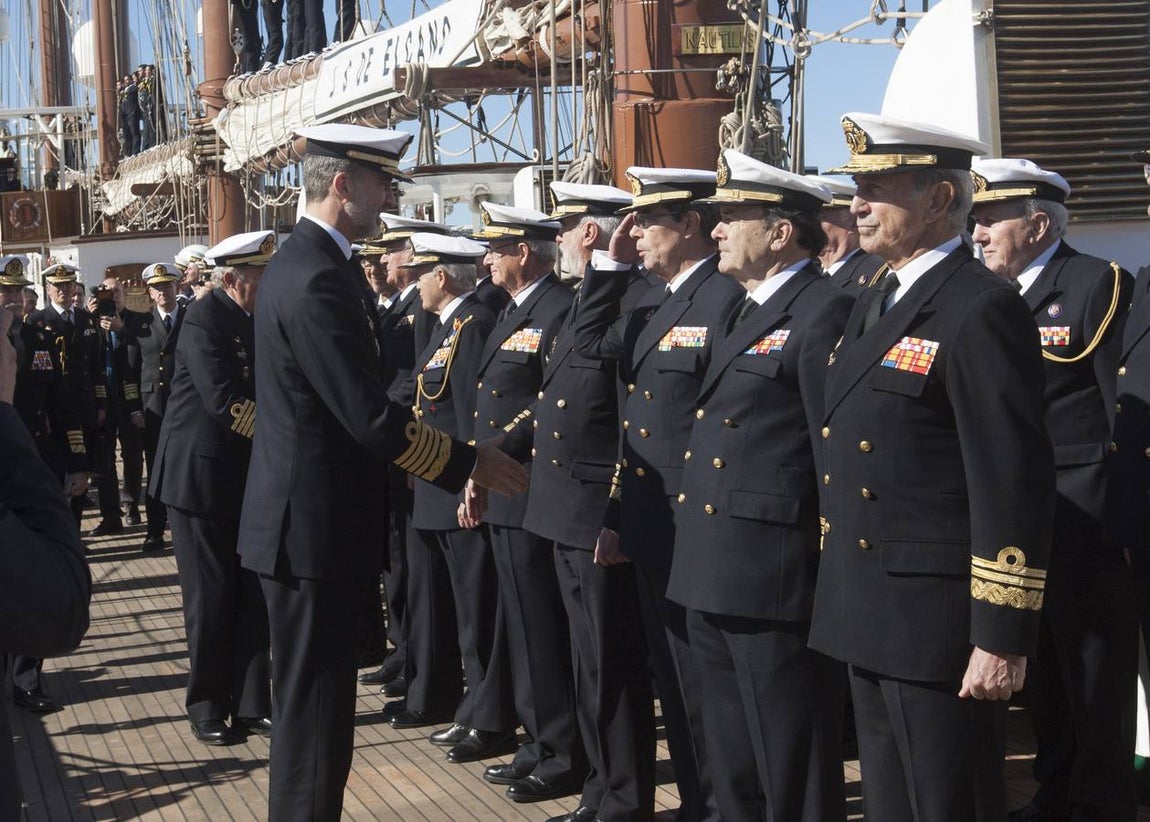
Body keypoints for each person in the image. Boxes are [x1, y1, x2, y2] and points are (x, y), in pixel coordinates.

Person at [235, 123, 526, 822]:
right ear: (343, 185)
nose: (390, 198)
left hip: (309, 527)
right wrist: (467, 462)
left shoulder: (305, 264)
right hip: (309, 533)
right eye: (382, 184)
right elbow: (365, 416)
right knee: (312, 721)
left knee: (321, 714)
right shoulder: (314, 278)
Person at [808, 112, 1056, 821]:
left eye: (878, 186)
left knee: (946, 803)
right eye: (857, 186)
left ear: (939, 201)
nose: (856, 203)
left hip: (936, 622)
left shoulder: (980, 307)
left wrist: (1001, 635)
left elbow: (1010, 478)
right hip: (869, 606)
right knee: (893, 802)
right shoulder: (878, 298)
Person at [660, 152, 851, 821]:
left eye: (731, 217)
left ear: (779, 233)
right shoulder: (742, 310)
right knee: (733, 756)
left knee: (789, 759)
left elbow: (832, 455)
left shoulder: (823, 310)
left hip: (774, 573)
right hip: (713, 566)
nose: (714, 230)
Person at [573, 167, 743, 822]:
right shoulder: (656, 302)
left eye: (648, 222)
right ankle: (702, 803)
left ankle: (723, 805)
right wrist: (608, 269)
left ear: (691, 225)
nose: (636, 233)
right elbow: (589, 345)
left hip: (698, 528)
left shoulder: (726, 300)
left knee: (708, 688)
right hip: (653, 526)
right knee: (675, 684)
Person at [969, 157, 1137, 822]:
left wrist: (1122, 522)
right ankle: (1054, 791)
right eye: (974, 220)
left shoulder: (1096, 284)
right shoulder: (985, 297)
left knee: (1095, 680)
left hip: (1084, 520)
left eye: (990, 219)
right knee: (1040, 677)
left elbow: (1120, 409)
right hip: (1018, 523)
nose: (977, 232)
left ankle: (1101, 806)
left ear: (1038, 224)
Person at [501, 179, 658, 822]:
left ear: (589, 233)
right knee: (586, 662)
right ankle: (601, 789)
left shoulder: (636, 299)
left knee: (612, 667)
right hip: (562, 507)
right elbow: (555, 395)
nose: (558, 241)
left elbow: (631, 419)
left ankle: (622, 797)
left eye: (564, 230)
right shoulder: (588, 300)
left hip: (597, 509)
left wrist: (615, 511)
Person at [463, 201, 586, 801]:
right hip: (504, 487)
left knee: (543, 627)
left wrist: (498, 453)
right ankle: (537, 740)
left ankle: (563, 751)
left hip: (532, 488)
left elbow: (550, 401)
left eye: (496, 248)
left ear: (524, 252)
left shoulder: (557, 309)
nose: (486, 258)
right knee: (520, 622)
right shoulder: (514, 308)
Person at [391, 232, 518, 763]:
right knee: (462, 609)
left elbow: (471, 416)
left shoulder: (471, 327)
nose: (413, 282)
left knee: (477, 610)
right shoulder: (447, 326)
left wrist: (471, 483)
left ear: (441, 276)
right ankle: (474, 708)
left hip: (460, 491)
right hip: (437, 488)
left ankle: (490, 718)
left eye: (420, 272)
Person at [151, 231, 276, 747]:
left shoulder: (251, 319)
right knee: (208, 596)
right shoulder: (204, 318)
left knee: (250, 592)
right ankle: (205, 704)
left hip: (242, 477)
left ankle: (250, 703)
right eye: (259, 280)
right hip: (198, 479)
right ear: (233, 279)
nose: (266, 288)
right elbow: (225, 401)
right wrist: (280, 436)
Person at [0, 306, 91, 819]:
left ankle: (26, 676)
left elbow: (64, 400)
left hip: (33, 457)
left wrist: (77, 459)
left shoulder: (37, 338)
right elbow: (60, 607)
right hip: (17, 466)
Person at [359, 212, 454, 691]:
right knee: (397, 552)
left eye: (391, 251)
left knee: (413, 557)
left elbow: (415, 381)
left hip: (411, 443)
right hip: (394, 444)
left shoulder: (421, 309)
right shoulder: (393, 307)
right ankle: (404, 645)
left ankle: (416, 651)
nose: (381, 259)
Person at [34, 264, 103, 528]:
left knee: (80, 473)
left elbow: (96, 367)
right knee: (56, 471)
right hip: (54, 410)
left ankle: (75, 531)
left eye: (68, 285)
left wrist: (101, 404)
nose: (64, 290)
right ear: (48, 289)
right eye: (58, 285)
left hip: (83, 407)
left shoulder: (86, 319)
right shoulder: (39, 321)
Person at [124, 263, 185, 552]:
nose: (163, 291)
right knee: (157, 471)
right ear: (149, 292)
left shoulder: (191, 318)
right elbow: (130, 371)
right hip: (154, 408)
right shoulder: (140, 324)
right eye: (157, 287)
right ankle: (155, 531)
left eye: (168, 285)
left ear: (177, 287)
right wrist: (134, 407)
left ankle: (184, 529)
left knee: (185, 469)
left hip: (186, 407)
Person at [812, 174, 885, 295]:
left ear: (853, 221)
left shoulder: (875, 272)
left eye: (821, 218)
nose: (811, 225)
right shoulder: (811, 274)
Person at [118, 74, 140, 157]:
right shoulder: (124, 91)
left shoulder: (133, 88)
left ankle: (135, 151)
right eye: (125, 80)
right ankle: (129, 152)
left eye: (128, 79)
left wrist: (133, 112)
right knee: (127, 135)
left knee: (134, 133)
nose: (126, 81)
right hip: (126, 115)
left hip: (131, 113)